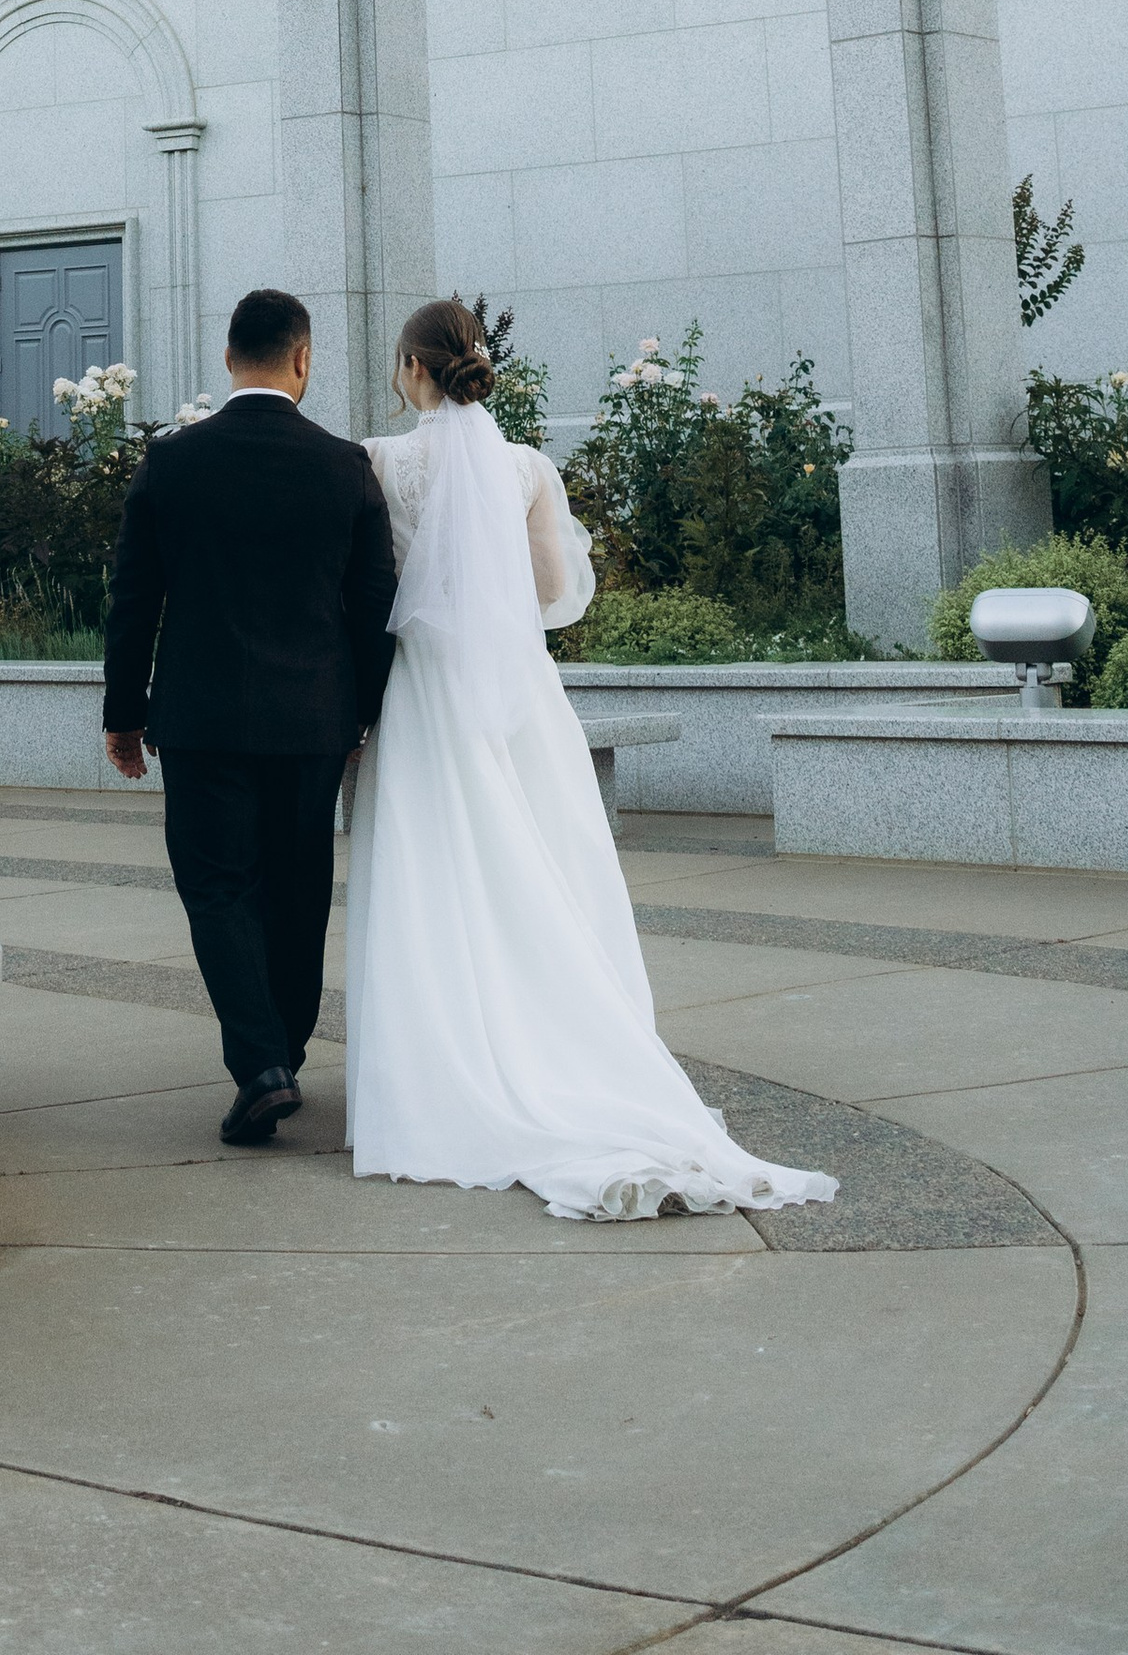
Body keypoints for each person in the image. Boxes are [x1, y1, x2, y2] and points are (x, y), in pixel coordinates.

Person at [346, 294, 837, 1222]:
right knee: (545, 859)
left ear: (411, 368)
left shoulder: (377, 462)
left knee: (438, 870)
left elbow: (368, 586)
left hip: (427, 691)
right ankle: (574, 1036)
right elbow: (553, 590)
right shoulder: (527, 468)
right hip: (521, 688)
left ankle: (451, 1059)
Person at [102, 286, 397, 1148]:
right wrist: (363, 714)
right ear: (303, 359)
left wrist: (125, 713)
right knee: (299, 889)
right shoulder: (345, 466)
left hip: (201, 720)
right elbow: (374, 605)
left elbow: (133, 600)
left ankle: (263, 1065)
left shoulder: (172, 463)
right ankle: (282, 1054)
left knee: (217, 886)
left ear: (229, 357)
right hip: (312, 721)